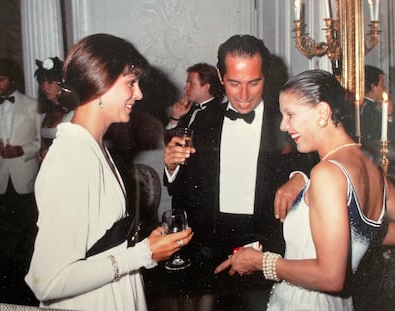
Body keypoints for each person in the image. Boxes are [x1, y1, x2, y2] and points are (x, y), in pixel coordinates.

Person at [25, 33, 193, 311]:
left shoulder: (93, 146)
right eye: (130, 83)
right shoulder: (71, 158)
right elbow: (47, 281)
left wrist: (144, 248)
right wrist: (143, 254)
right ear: (99, 84)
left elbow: (101, 243)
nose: (139, 94)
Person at [215, 69, 395, 310]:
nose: (283, 125)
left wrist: (261, 262)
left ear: (322, 112)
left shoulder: (327, 173)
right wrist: (355, 242)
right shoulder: (373, 170)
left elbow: (331, 277)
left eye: (290, 114)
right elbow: (363, 232)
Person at [160, 34, 312, 310]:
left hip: (266, 242)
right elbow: (186, 188)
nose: (244, 95)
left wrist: (298, 179)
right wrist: (171, 167)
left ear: (266, 75)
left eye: (254, 82)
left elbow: (315, 157)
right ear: (220, 75)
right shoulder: (203, 119)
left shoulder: (285, 119)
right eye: (234, 83)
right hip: (212, 243)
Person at [0, 57, 41, 305]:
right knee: (5, 238)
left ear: (12, 80)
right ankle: (10, 292)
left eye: (1, 79)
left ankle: (30, 288)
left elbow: (40, 142)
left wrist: (21, 150)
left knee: (28, 236)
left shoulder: (33, 105)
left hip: (25, 179)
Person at [34, 56, 74, 163]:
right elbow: (43, 146)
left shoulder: (72, 113)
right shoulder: (46, 114)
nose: (45, 88)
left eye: (50, 83)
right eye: (42, 83)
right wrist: (41, 154)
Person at [166, 62, 224, 130]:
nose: (185, 88)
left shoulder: (219, 114)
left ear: (206, 87)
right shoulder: (188, 109)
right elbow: (170, 139)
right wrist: (175, 117)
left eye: (191, 84)